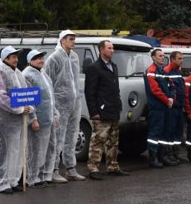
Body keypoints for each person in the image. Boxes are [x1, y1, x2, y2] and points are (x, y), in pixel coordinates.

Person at [43, 30, 86, 181]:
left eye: (74, 39)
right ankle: (53, 170)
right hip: (59, 103)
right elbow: (48, 82)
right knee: (57, 137)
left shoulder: (74, 57)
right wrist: (52, 106)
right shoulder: (54, 58)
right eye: (71, 39)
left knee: (72, 135)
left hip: (74, 102)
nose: (74, 42)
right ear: (62, 40)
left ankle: (70, 167)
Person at [0, 46, 33, 194]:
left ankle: (13, 180)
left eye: (16, 56)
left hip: (17, 121)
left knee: (16, 150)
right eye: (13, 56)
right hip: (4, 120)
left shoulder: (18, 73)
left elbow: (27, 93)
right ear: (5, 58)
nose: (16, 59)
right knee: (5, 150)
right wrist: (19, 109)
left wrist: (29, 107)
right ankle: (3, 183)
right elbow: (0, 96)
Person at [84, 40, 129, 179]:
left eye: (113, 48)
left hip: (113, 109)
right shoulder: (94, 67)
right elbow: (89, 92)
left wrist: (118, 104)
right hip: (101, 112)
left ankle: (113, 166)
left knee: (113, 141)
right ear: (101, 50)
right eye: (109, 48)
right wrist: (94, 112)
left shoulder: (113, 66)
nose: (112, 50)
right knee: (98, 140)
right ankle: (93, 169)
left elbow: (114, 88)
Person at [23, 49, 59, 186]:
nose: (41, 60)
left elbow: (50, 97)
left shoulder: (43, 74)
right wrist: (33, 119)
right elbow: (28, 99)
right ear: (30, 60)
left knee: (49, 148)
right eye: (37, 58)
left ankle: (45, 175)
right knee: (35, 149)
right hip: (38, 120)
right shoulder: (27, 75)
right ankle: (33, 177)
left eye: (42, 58)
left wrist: (55, 113)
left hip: (48, 118)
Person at [144, 47, 175, 167]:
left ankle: (163, 156)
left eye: (163, 56)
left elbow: (171, 86)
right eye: (160, 56)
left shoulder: (163, 71)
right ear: (153, 57)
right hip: (157, 107)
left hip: (166, 106)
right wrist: (167, 100)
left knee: (164, 132)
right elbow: (155, 90)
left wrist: (171, 98)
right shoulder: (151, 71)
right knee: (155, 133)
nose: (163, 57)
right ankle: (153, 158)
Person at [164, 50, 187, 162]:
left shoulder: (178, 71)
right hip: (172, 108)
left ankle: (176, 154)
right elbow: (168, 89)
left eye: (182, 58)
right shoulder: (167, 71)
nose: (181, 61)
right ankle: (169, 154)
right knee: (170, 131)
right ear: (172, 59)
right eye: (179, 58)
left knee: (178, 131)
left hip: (179, 107)